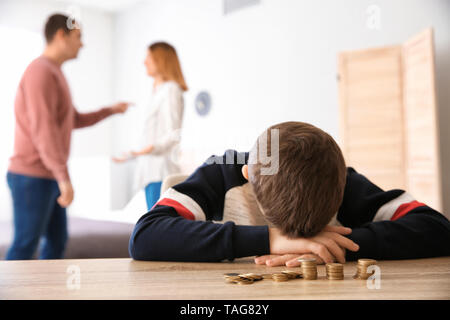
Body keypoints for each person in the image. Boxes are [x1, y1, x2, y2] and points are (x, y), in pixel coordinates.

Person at [128, 121, 450, 265]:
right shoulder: (219, 172)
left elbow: (438, 229)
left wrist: (332, 248)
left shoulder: (339, 178)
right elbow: (145, 236)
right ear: (249, 176)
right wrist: (270, 239)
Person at [6, 14, 131, 260]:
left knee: (57, 241)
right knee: (25, 245)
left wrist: (110, 110)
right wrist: (63, 177)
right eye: (78, 37)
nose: (82, 44)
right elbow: (44, 130)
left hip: (46, 174)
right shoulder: (40, 72)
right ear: (61, 36)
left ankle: (45, 294)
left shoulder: (55, 73)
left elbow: (72, 120)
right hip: (32, 176)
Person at [113, 42, 187, 210]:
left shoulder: (171, 90)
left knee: (158, 229)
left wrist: (141, 151)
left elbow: (173, 134)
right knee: (154, 228)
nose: (144, 62)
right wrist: (133, 154)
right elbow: (152, 136)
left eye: (148, 57)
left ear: (161, 60)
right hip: (150, 172)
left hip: (161, 173)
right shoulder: (157, 92)